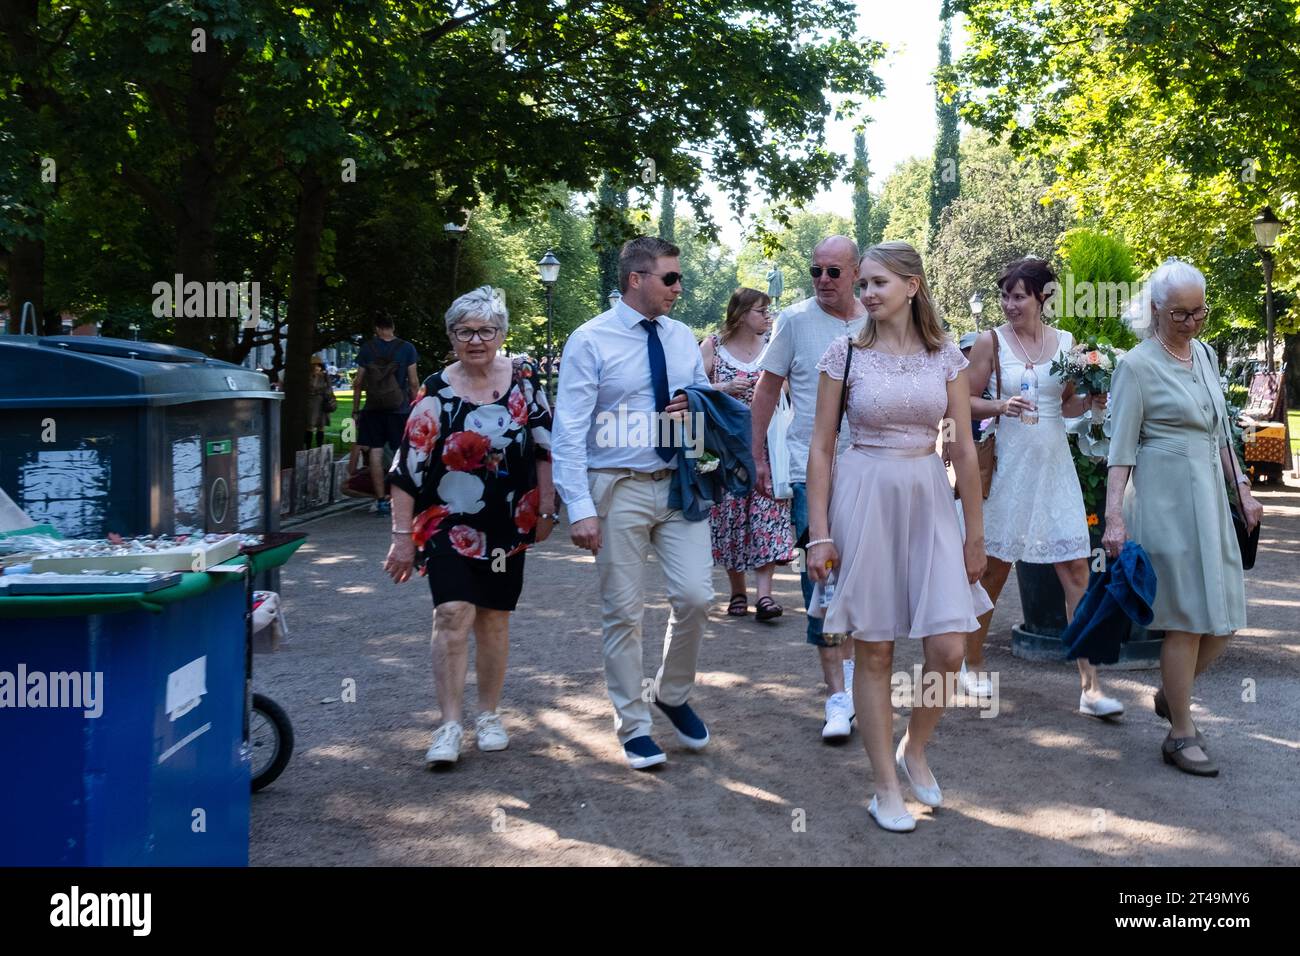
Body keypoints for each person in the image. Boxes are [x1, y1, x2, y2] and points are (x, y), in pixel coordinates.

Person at [807, 241, 990, 833]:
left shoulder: (946, 357)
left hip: (929, 495)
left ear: (912, 286)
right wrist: (819, 533)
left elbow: (963, 446)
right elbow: (821, 447)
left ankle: (916, 745)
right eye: (863, 284)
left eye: (878, 283)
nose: (866, 294)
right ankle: (884, 786)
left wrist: (974, 534)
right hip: (864, 494)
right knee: (877, 646)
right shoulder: (845, 354)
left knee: (948, 648)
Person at [551, 236, 714, 771]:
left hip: (675, 484)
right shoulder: (589, 340)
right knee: (622, 613)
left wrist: (695, 402)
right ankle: (634, 726)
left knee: (694, 596)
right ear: (635, 279)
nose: (679, 288)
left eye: (680, 277)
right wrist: (578, 506)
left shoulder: (683, 337)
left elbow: (701, 404)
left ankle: (672, 692)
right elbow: (569, 429)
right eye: (670, 278)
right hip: (615, 487)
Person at [383, 286, 556, 768]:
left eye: (485, 330)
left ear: (501, 334)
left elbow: (545, 446)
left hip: (508, 519)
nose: (476, 339)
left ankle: (489, 714)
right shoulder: (435, 390)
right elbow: (407, 466)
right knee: (452, 613)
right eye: (465, 331)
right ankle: (449, 724)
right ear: (451, 336)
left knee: (494, 618)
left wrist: (546, 509)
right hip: (447, 522)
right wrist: (401, 537)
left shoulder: (524, 381)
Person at [1102, 258, 1261, 776]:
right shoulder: (1136, 365)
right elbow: (1121, 450)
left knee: (1226, 616)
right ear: (1155, 311)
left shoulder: (1208, 354)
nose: (1192, 323)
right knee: (1188, 621)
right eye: (1180, 315)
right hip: (1165, 501)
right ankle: (1180, 734)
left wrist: (1241, 489)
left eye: (1200, 313)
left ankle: (1174, 695)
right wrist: (1113, 521)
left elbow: (1220, 433)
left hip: (1211, 500)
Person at [962, 258, 1124, 717]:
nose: (1010, 304)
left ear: (1043, 298)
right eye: (1006, 296)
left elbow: (1065, 405)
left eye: (1020, 296)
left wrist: (1091, 401)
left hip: (1055, 468)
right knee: (991, 571)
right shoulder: (990, 342)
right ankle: (969, 665)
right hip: (1010, 466)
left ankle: (1090, 688)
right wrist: (999, 404)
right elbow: (965, 401)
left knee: (1076, 571)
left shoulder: (1067, 344)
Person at [749, 236, 867, 741]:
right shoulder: (795, 321)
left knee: (864, 579)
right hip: (808, 470)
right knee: (823, 578)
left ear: (857, 272)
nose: (823, 280)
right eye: (816, 270)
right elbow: (767, 388)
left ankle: (857, 677)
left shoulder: (880, 318)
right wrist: (755, 455)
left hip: (871, 471)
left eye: (833, 272)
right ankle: (836, 696)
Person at [700, 288, 795, 621]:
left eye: (768, 311)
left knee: (768, 513)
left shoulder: (773, 347)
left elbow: (788, 388)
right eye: (760, 311)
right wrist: (724, 389)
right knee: (729, 517)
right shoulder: (713, 346)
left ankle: (765, 596)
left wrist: (768, 389)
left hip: (768, 446)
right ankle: (737, 590)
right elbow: (691, 386)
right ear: (740, 314)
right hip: (725, 448)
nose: (767, 317)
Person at [353, 316, 420, 514]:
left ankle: (381, 499)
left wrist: (356, 409)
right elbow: (414, 382)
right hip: (399, 409)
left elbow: (358, 382)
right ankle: (403, 498)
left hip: (372, 409)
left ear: (376, 328)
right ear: (393, 327)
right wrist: (416, 406)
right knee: (403, 452)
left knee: (375, 451)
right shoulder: (407, 348)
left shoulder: (367, 348)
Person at [305, 356, 333, 449]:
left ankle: (319, 448)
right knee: (310, 426)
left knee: (321, 427)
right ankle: (308, 447)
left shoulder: (325, 376)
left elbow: (329, 389)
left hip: (322, 404)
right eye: (314, 365)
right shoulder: (307, 376)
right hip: (311, 404)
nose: (316, 367)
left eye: (318, 365)